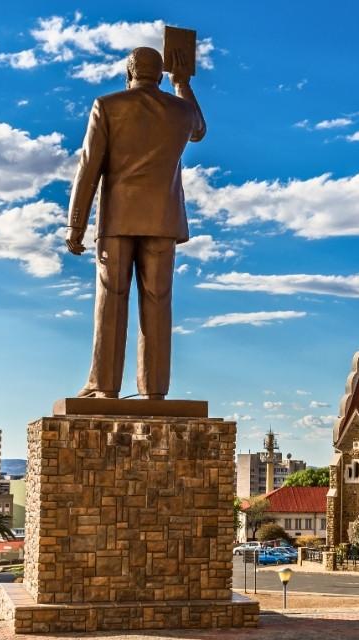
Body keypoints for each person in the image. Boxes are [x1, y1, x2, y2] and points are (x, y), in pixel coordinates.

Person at [65, 46, 205, 400]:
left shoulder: (108, 105)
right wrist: (182, 84)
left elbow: (89, 167)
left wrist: (75, 225)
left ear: (129, 73)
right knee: (158, 301)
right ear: (159, 75)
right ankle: (154, 391)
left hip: (118, 219)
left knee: (111, 299)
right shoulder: (180, 110)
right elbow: (199, 130)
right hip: (163, 220)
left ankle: (103, 386)